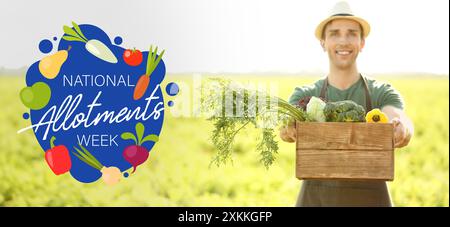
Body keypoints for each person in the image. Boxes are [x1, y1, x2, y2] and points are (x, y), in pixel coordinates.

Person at [280, 1, 414, 207]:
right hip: (316, 201)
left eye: (352, 33)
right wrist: (287, 127)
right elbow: (286, 123)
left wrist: (402, 128)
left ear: (362, 42)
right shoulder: (307, 94)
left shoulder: (381, 92)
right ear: (323, 42)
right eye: (334, 33)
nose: (343, 40)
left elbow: (399, 117)